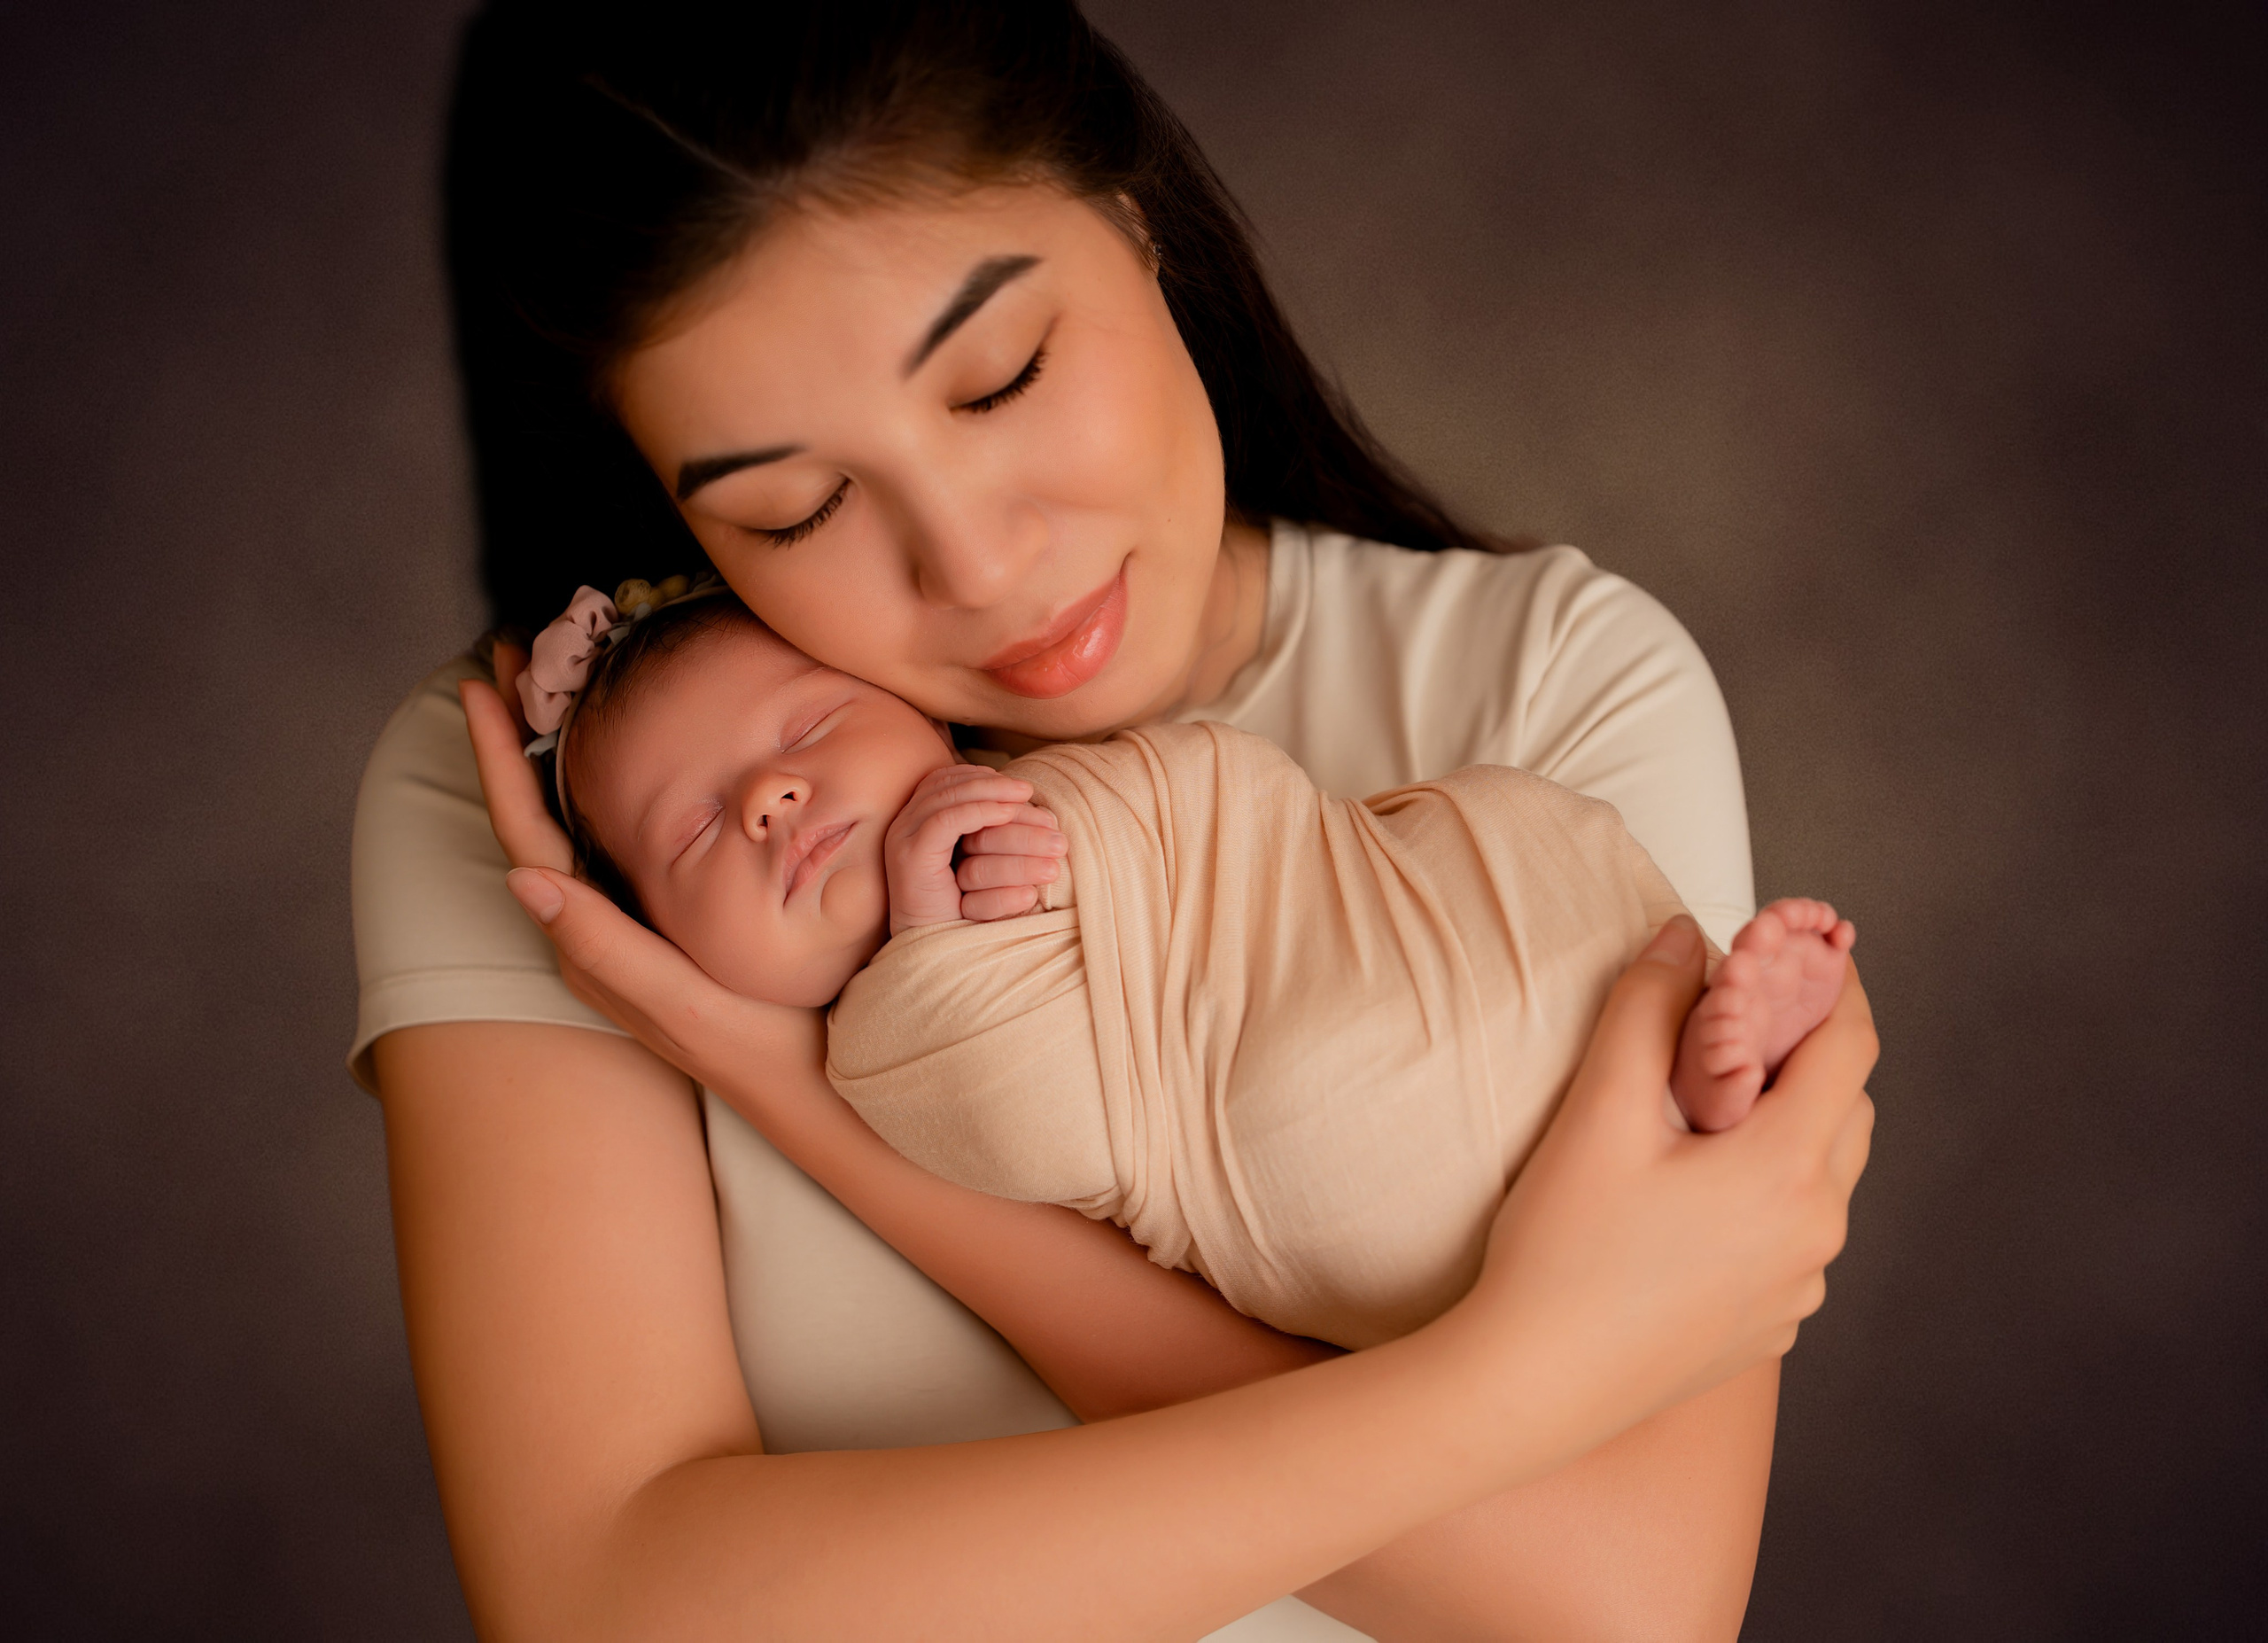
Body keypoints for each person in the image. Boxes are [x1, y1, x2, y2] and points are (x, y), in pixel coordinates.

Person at [352, 2, 1876, 1636]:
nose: (982, 565)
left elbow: (1625, 1605)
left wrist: (798, 1093)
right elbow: (608, 1610)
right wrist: (1532, 1368)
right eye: (796, 509)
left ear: (1132, 214)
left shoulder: (1547, 678)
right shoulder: (564, 805)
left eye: (999, 379)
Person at [520, 580, 1856, 1351]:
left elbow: (1244, 824)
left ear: (927, 713)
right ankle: (1682, 1099)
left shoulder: (1061, 778)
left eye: (812, 725)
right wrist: (941, 950)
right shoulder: (885, 1044)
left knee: (1512, 828)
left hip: (1351, 914)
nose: (772, 798)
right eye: (696, 831)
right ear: (667, 948)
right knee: (1314, 1108)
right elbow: (1032, 1120)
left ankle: (1690, 1073)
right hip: (1295, 1124)